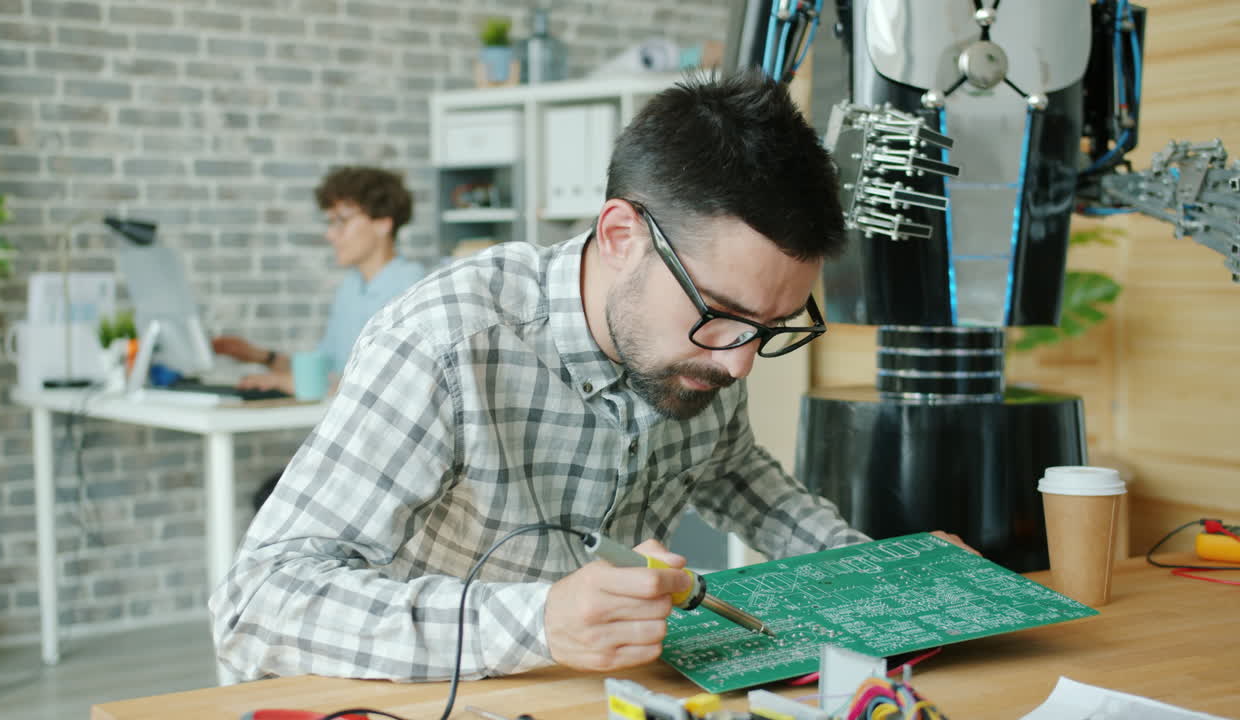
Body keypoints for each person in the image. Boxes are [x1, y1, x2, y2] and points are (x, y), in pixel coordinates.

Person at [210, 72, 973, 684]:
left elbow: (750, 486)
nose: (739, 360)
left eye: (770, 328)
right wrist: (538, 622)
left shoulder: (706, 348)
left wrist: (887, 577)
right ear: (619, 236)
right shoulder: (449, 342)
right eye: (722, 313)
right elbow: (257, 603)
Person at [210, 166, 427, 396]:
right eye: (330, 222)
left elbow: (389, 385)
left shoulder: (412, 288)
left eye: (341, 221)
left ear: (383, 223)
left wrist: (292, 383)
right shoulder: (351, 286)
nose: (330, 234)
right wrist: (261, 357)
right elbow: (327, 369)